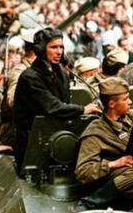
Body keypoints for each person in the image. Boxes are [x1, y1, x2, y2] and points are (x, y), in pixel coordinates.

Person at [14, 28, 101, 167]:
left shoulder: (60, 71)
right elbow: (52, 107)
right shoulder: (30, 77)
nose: (59, 52)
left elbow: (64, 102)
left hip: (56, 135)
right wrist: (83, 109)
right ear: (41, 49)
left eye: (61, 47)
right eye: (54, 47)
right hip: (32, 142)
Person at [74, 77, 133, 210]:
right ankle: (91, 202)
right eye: (125, 99)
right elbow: (82, 172)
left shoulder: (129, 117)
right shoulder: (95, 132)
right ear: (112, 104)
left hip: (129, 172)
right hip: (109, 182)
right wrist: (113, 164)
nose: (130, 102)